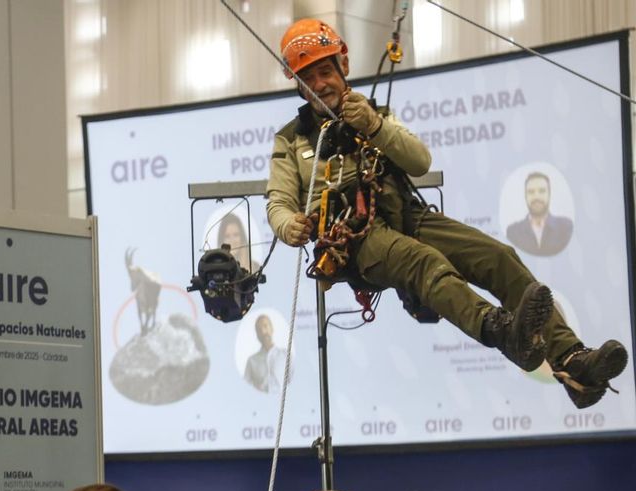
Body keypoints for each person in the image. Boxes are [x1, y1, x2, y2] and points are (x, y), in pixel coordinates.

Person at [265, 19, 627, 409]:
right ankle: (502, 332)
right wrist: (287, 225)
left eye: (324, 71)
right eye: (308, 78)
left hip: (406, 215)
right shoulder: (292, 137)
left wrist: (372, 125)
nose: (319, 84)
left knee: (497, 257)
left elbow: (419, 161)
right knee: (423, 262)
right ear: (298, 85)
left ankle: (574, 364)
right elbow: (278, 201)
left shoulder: (374, 115)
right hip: (354, 239)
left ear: (343, 68)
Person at [506, 171, 573, 256]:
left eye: (541, 191)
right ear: (525, 196)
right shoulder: (513, 231)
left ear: (549, 194)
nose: (536, 196)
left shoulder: (566, 227)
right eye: (531, 192)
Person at [244, 314, 290, 393]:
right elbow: (245, 389)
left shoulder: (286, 356)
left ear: (271, 328)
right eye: (259, 329)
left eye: (265, 326)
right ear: (257, 335)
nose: (263, 331)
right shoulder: (251, 361)